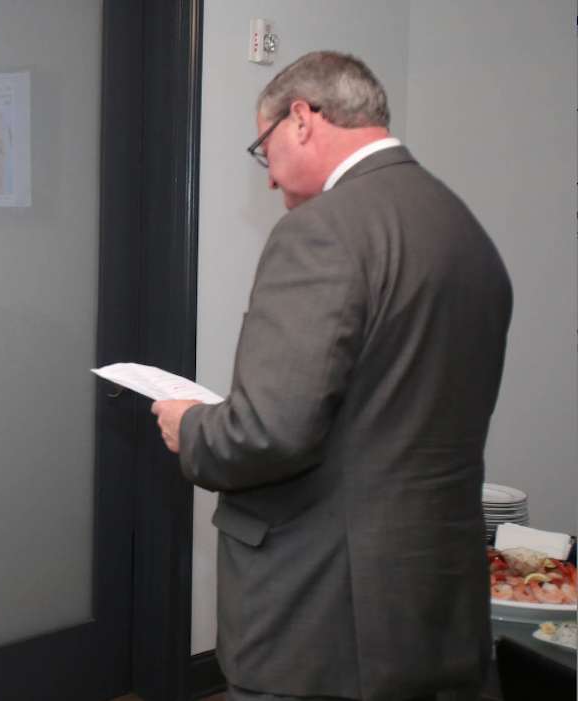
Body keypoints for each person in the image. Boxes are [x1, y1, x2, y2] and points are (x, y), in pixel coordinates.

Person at [152, 52, 512, 700]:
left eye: (263, 151)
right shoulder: (464, 232)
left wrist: (194, 425)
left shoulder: (319, 231)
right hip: (438, 606)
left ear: (301, 120)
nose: (268, 182)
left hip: (320, 619)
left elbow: (268, 431)